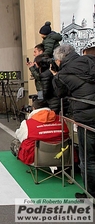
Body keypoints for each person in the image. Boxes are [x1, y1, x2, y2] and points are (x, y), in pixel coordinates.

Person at [52, 44, 95, 199]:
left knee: (89, 159)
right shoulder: (90, 60)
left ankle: (91, 195)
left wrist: (55, 75)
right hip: (89, 114)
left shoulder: (62, 75)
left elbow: (60, 93)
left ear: (58, 61)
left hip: (87, 119)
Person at [10, 100, 69, 164]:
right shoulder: (62, 120)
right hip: (63, 157)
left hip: (36, 160)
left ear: (33, 108)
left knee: (15, 142)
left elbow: (18, 136)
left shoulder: (27, 124)